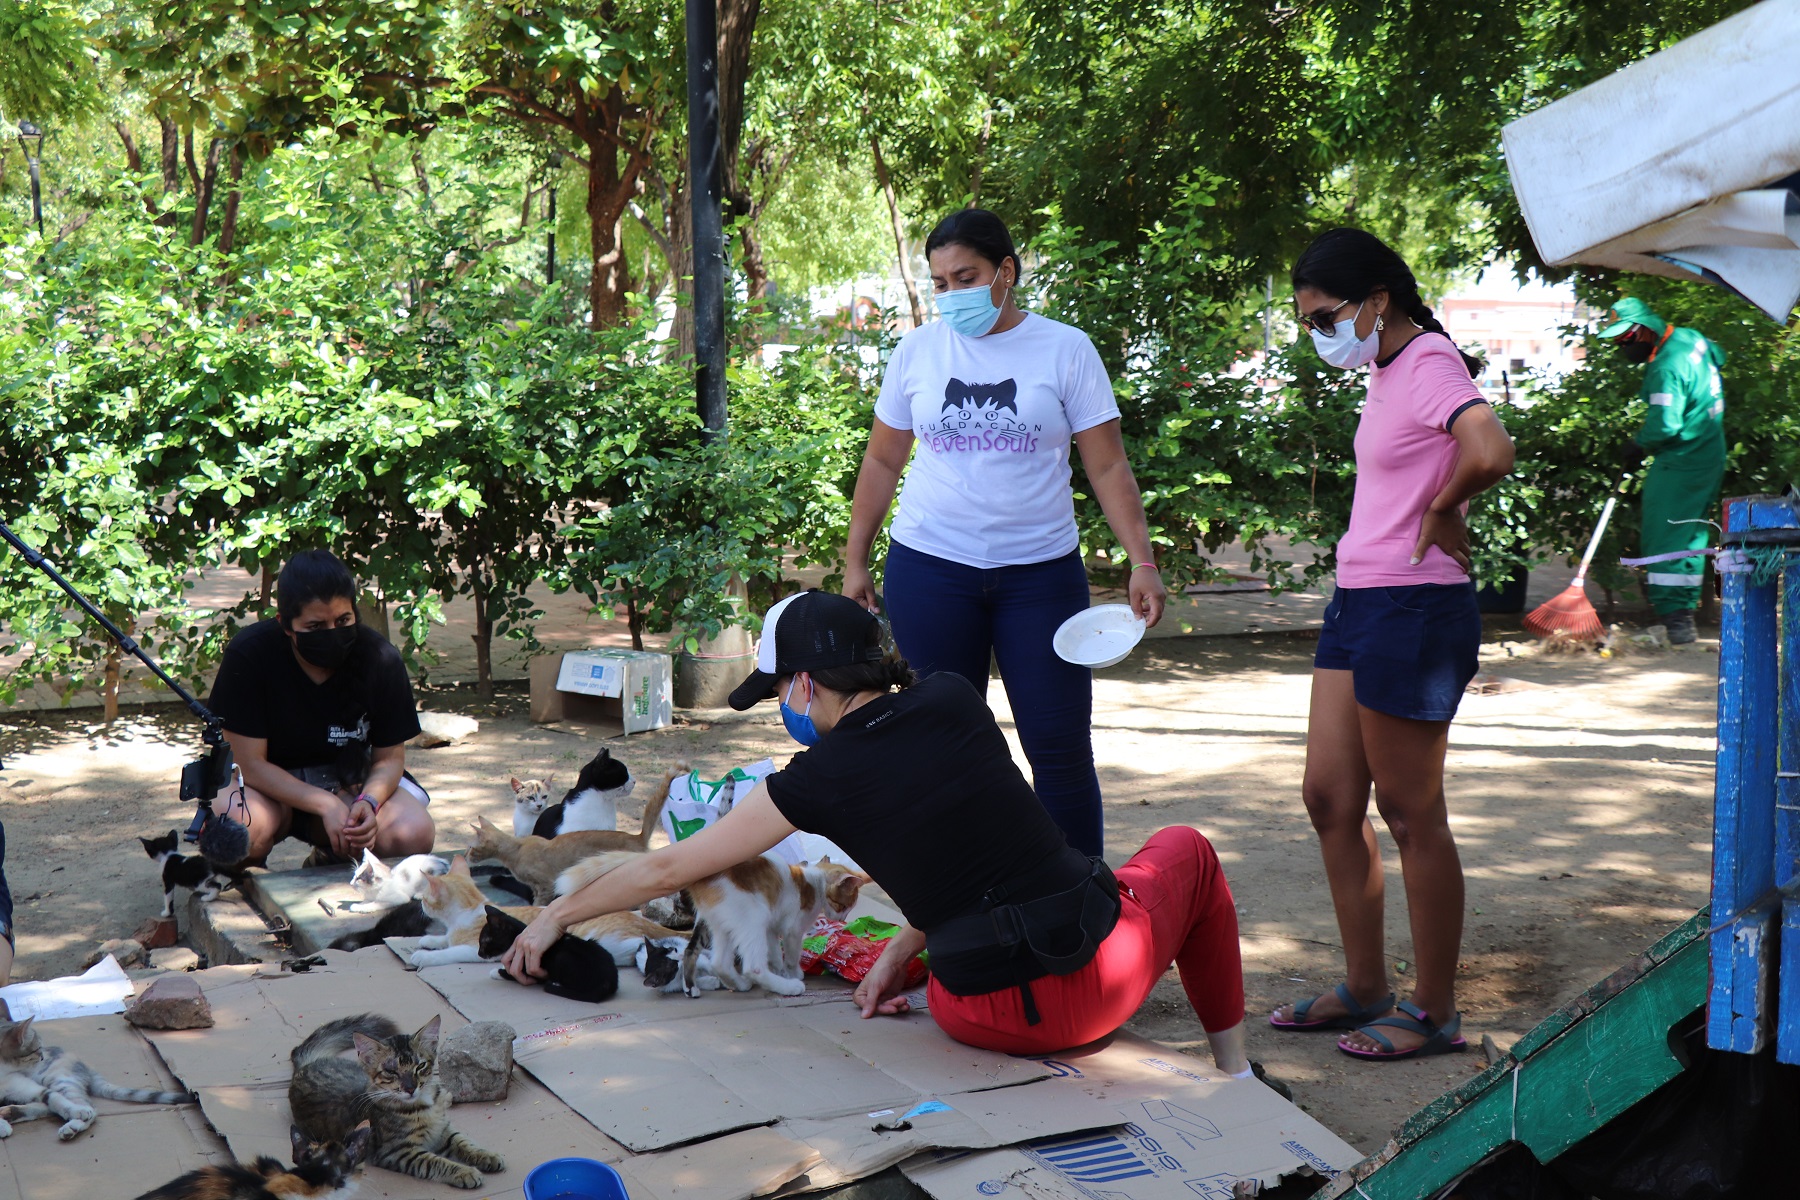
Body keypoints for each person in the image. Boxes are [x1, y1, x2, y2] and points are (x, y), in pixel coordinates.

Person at [500, 590, 1259, 1080]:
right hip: (1101, 980)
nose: (783, 708)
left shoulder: (812, 780)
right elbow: (973, 839)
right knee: (1184, 846)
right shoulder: (957, 700)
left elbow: (665, 869)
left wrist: (555, 915)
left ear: (802, 685)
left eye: (778, 691)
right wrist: (902, 945)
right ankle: (1235, 1071)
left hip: (980, 1015)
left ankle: (1231, 1068)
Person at [840, 208, 1165, 858]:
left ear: (1006, 272)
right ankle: (960, 920)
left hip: (1041, 579)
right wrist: (855, 561)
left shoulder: (1064, 348)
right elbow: (881, 460)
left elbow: (1106, 464)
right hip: (930, 570)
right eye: (940, 282)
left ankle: (1081, 912)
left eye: (967, 276)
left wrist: (1142, 560)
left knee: (1059, 746)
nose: (952, 294)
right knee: (941, 751)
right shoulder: (918, 352)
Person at [1269, 228, 1514, 1062]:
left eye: (1325, 316)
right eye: (1307, 323)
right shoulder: (1384, 371)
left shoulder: (1430, 362)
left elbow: (1490, 448)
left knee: (1411, 814)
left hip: (1413, 607)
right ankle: (1365, 987)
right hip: (1360, 599)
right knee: (1329, 798)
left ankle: (1435, 1010)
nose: (1319, 335)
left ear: (1378, 300)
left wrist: (1444, 508)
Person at [200, 550, 435, 866]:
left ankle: (331, 854)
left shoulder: (379, 658)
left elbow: (389, 759)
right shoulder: (250, 655)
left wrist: (368, 802)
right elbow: (249, 765)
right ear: (286, 625)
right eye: (315, 626)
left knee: (413, 833)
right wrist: (324, 803)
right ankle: (245, 881)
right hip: (267, 788)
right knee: (238, 828)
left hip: (347, 782)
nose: (332, 634)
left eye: (343, 620)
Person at [1598, 297, 1726, 645]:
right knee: (1690, 533)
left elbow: (1666, 425)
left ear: (1643, 330)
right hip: (1710, 450)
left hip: (1683, 458)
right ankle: (1682, 618)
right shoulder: (1690, 337)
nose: (1620, 347)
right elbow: (1720, 357)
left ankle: (1676, 620)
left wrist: (1639, 445)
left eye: (1624, 339)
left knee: (1664, 534)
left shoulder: (1665, 366)